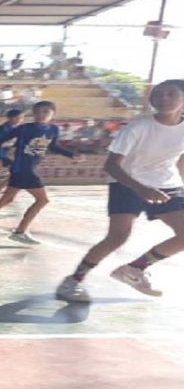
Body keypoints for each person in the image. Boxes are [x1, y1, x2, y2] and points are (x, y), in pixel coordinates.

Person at [55, 79, 184, 303]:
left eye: (171, 94)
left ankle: (135, 269)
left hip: (167, 184)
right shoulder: (138, 127)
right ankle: (73, 281)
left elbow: (180, 160)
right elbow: (111, 165)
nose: (163, 98)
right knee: (117, 237)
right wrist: (141, 189)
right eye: (158, 94)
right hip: (126, 181)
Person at [0, 101, 83, 245]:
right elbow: (0, 141)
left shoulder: (53, 129)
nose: (41, 114)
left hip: (27, 168)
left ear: (53, 114)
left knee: (5, 200)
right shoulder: (25, 128)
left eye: (45, 111)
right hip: (23, 169)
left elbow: (54, 146)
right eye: (37, 112)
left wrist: (71, 155)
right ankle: (20, 232)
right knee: (42, 200)